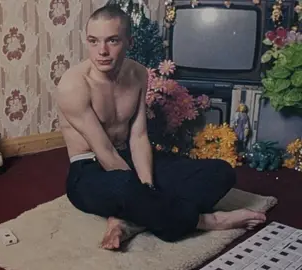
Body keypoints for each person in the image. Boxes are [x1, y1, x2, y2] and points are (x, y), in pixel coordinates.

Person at [54, 4, 267, 250]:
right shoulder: (73, 85)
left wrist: (147, 187)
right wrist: (142, 191)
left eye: (112, 41)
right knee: (124, 188)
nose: (101, 51)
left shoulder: (138, 74)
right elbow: (105, 153)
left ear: (129, 41)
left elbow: (139, 136)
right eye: (93, 41)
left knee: (220, 172)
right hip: (90, 169)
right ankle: (206, 221)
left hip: (131, 156)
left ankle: (131, 220)